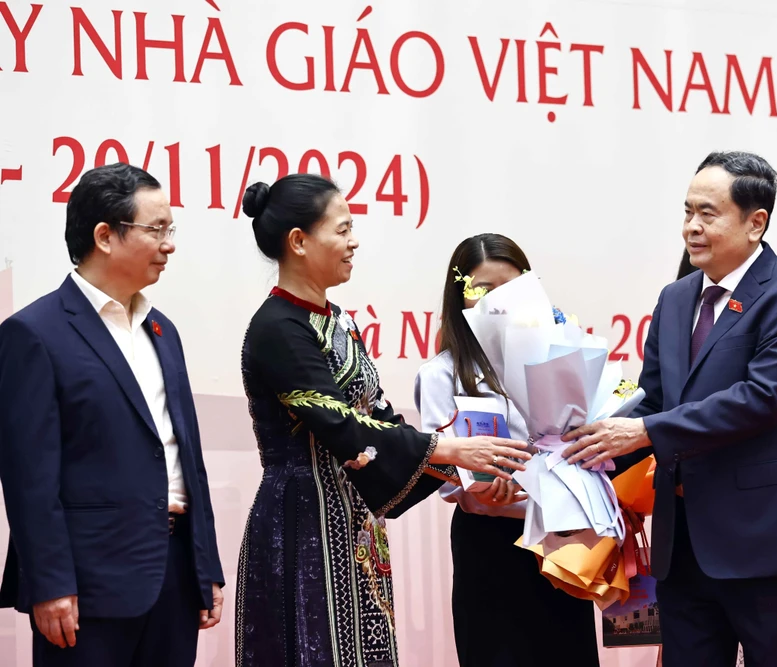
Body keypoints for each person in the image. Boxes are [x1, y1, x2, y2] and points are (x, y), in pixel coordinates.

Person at [235, 175, 530, 667]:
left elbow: (380, 416)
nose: (354, 242)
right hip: (303, 523)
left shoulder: (339, 319)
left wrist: (467, 467)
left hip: (355, 524)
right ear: (299, 242)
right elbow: (340, 424)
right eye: (343, 229)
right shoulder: (277, 328)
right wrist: (448, 450)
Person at [562, 151, 777, 666]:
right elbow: (653, 399)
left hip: (766, 543)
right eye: (687, 212)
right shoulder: (675, 298)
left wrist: (644, 432)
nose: (692, 227)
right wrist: (572, 457)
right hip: (682, 545)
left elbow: (762, 398)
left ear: (756, 222)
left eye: (708, 214)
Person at [0, 163, 225, 667]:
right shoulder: (35, 333)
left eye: (172, 230)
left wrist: (204, 563)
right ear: (105, 235)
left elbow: (185, 456)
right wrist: (50, 582)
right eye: (157, 229)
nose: (169, 244)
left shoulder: (162, 330)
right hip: (87, 582)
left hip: (172, 575)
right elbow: (28, 477)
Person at [414, 233, 600, 667]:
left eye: (510, 288)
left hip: (559, 541)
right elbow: (443, 467)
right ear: (460, 298)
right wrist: (475, 490)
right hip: (491, 547)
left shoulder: (561, 358)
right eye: (483, 290)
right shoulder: (442, 374)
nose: (497, 303)